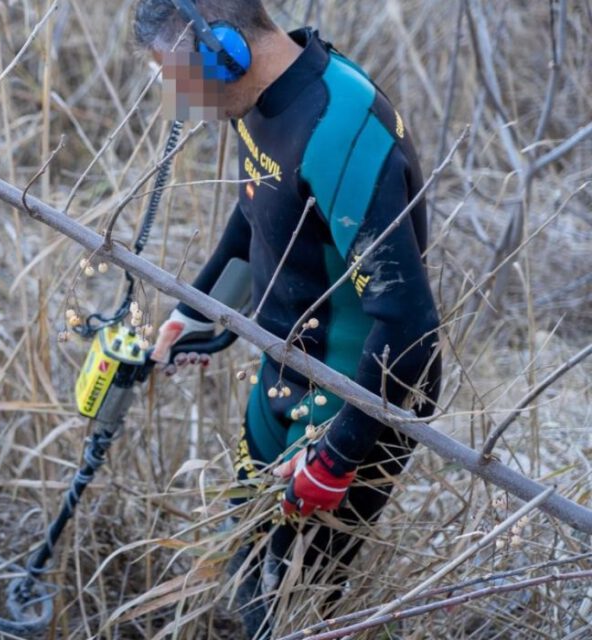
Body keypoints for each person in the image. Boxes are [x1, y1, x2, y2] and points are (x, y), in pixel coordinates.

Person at [133, 1, 443, 637]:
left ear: (224, 50)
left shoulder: (339, 128)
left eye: (173, 74)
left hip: (360, 395)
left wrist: (337, 459)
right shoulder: (257, 103)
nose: (173, 96)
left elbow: (409, 325)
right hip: (283, 376)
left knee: (295, 600)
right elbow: (258, 216)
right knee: (249, 570)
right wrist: (196, 313)